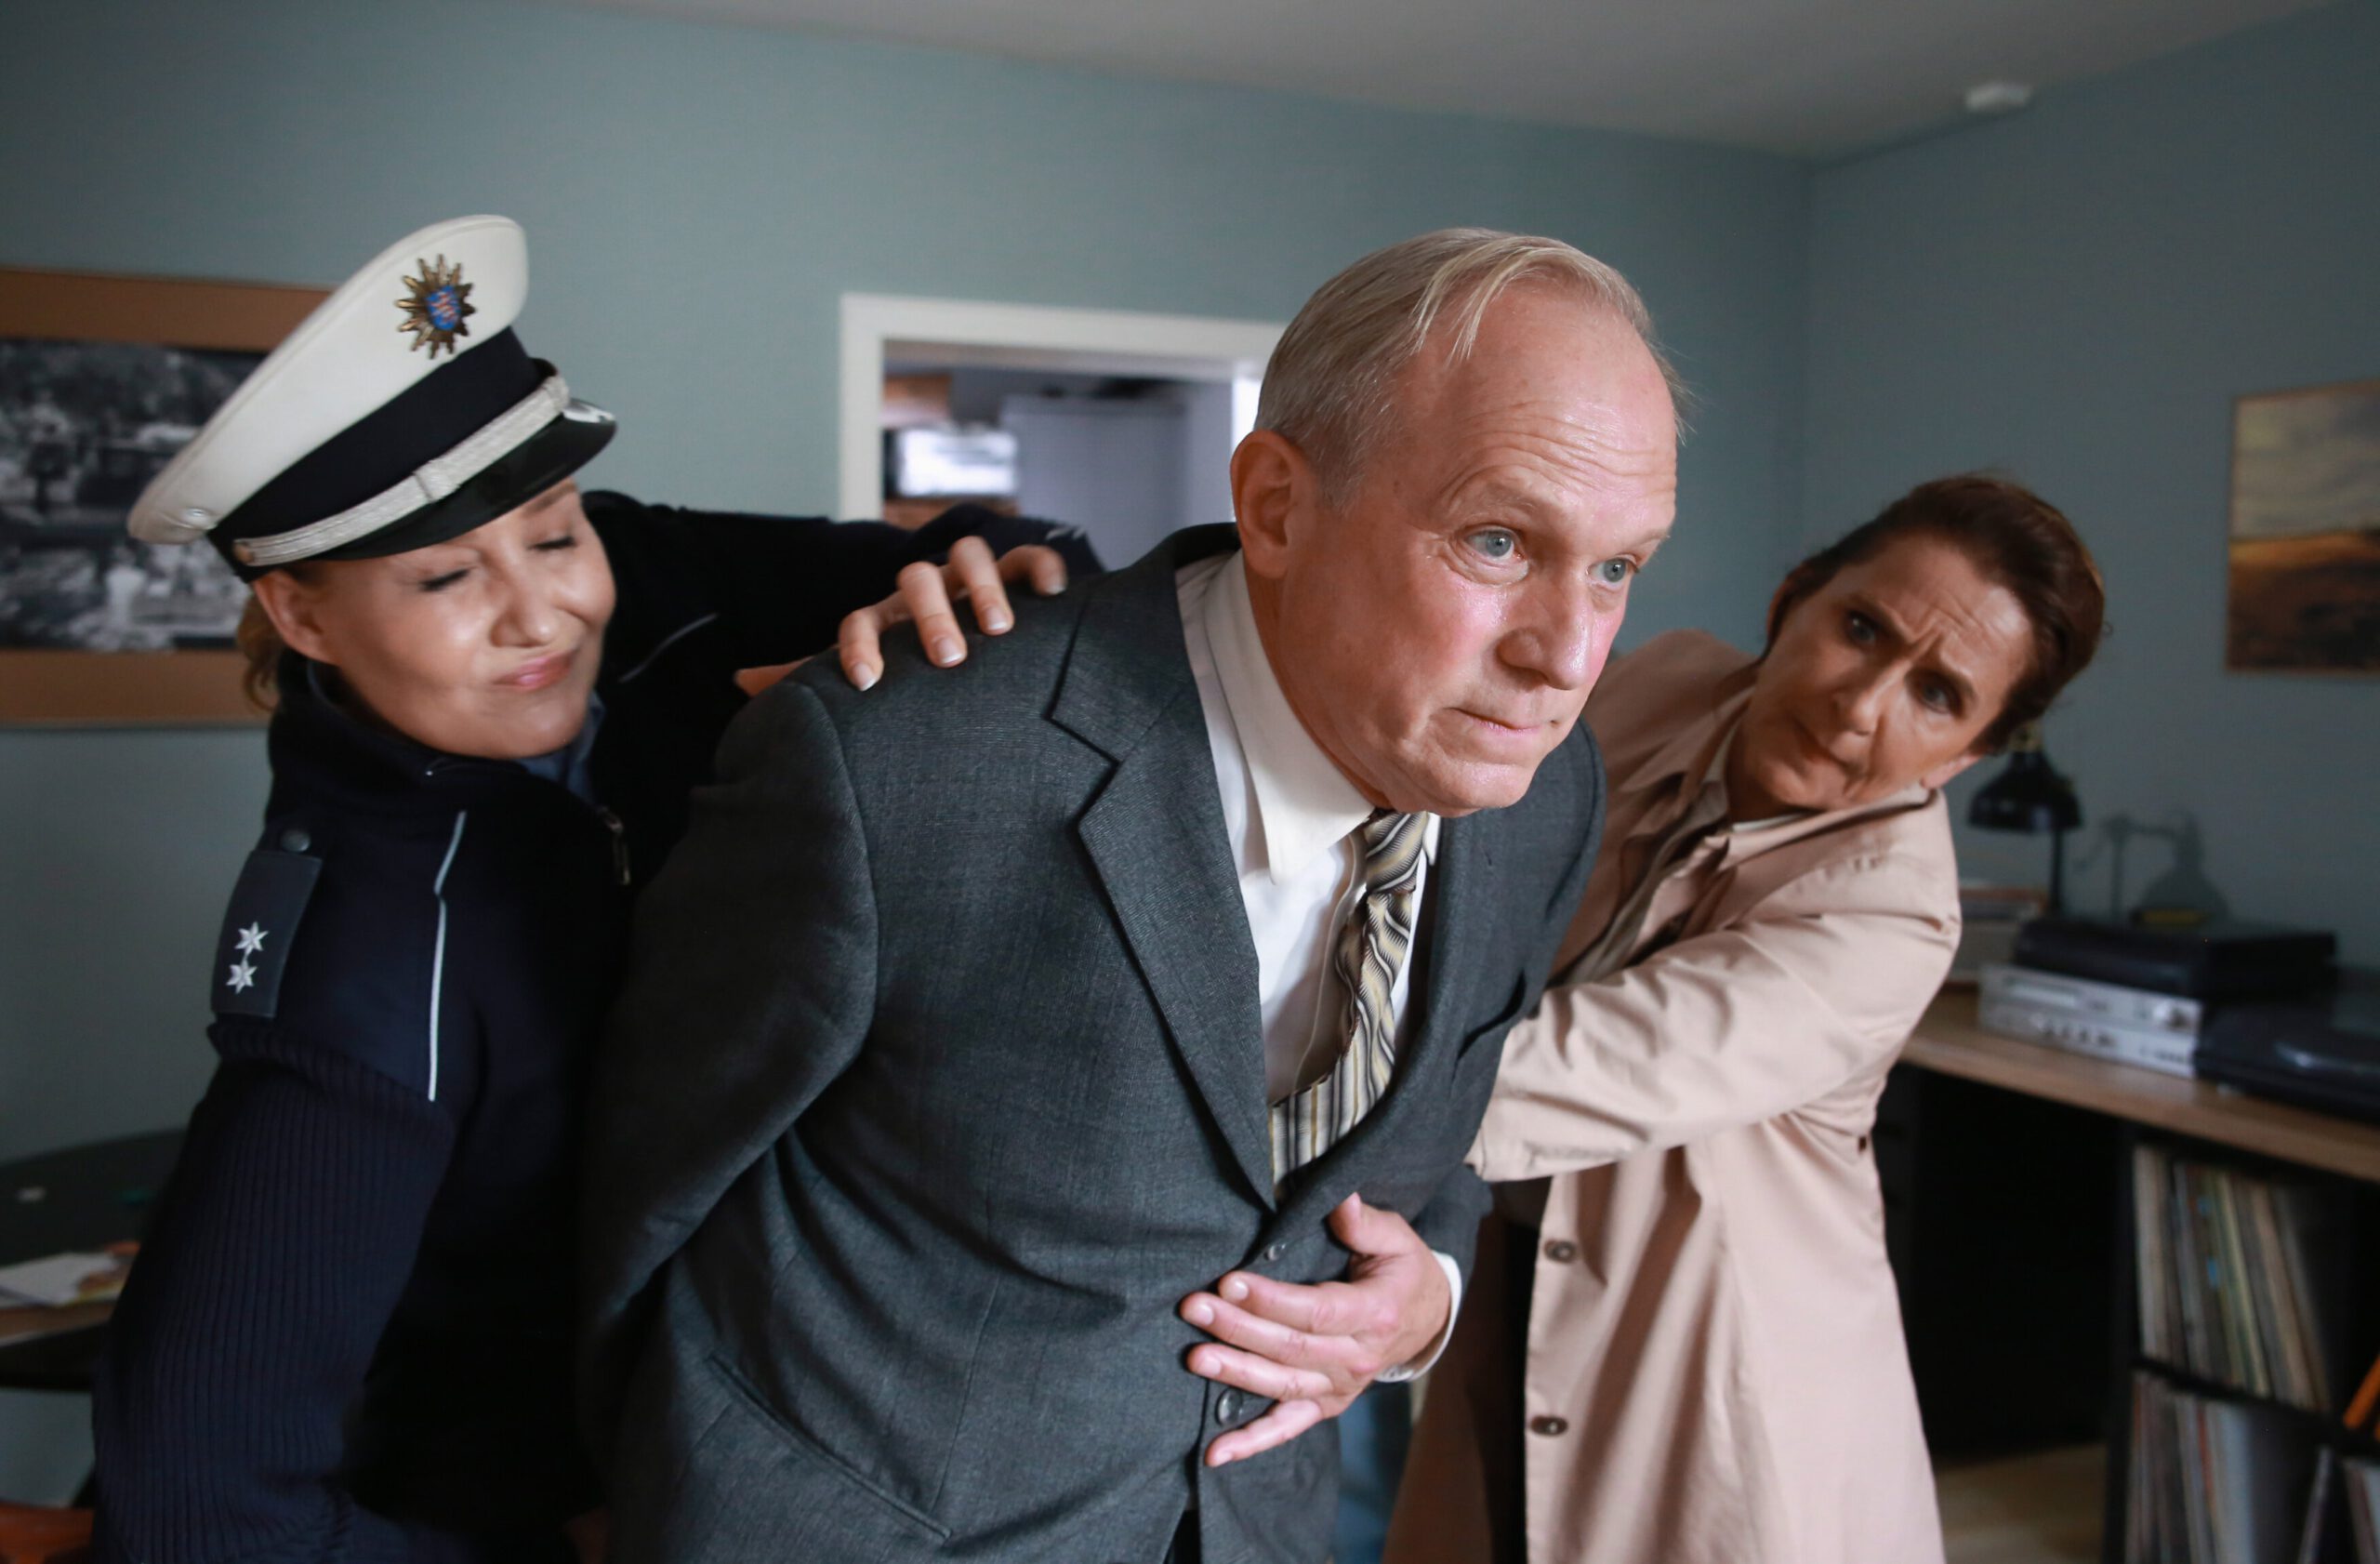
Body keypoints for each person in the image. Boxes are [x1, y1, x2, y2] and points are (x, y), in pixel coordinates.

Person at [578, 227, 1680, 1564]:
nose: (1566, 655)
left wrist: (1425, 1296)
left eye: (1618, 566)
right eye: (1500, 540)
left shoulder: (1544, 796)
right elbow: (639, 1193)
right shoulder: (898, 762)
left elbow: (1421, 1146)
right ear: (1278, 505)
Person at [89, 215, 1089, 1564]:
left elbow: (962, 564)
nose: (541, 614)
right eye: (443, 575)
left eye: (554, 537)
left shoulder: (631, 575)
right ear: (304, 617)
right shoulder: (367, 965)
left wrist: (1008, 559)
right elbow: (204, 1510)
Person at [1378, 474, 2106, 1564]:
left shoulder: (1889, 916)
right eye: (1860, 628)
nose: (1859, 704)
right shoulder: (1666, 677)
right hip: (1496, 1284)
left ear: (1965, 755)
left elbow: (1554, 1072)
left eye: (1938, 694)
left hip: (1719, 1373)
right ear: (1791, 600)